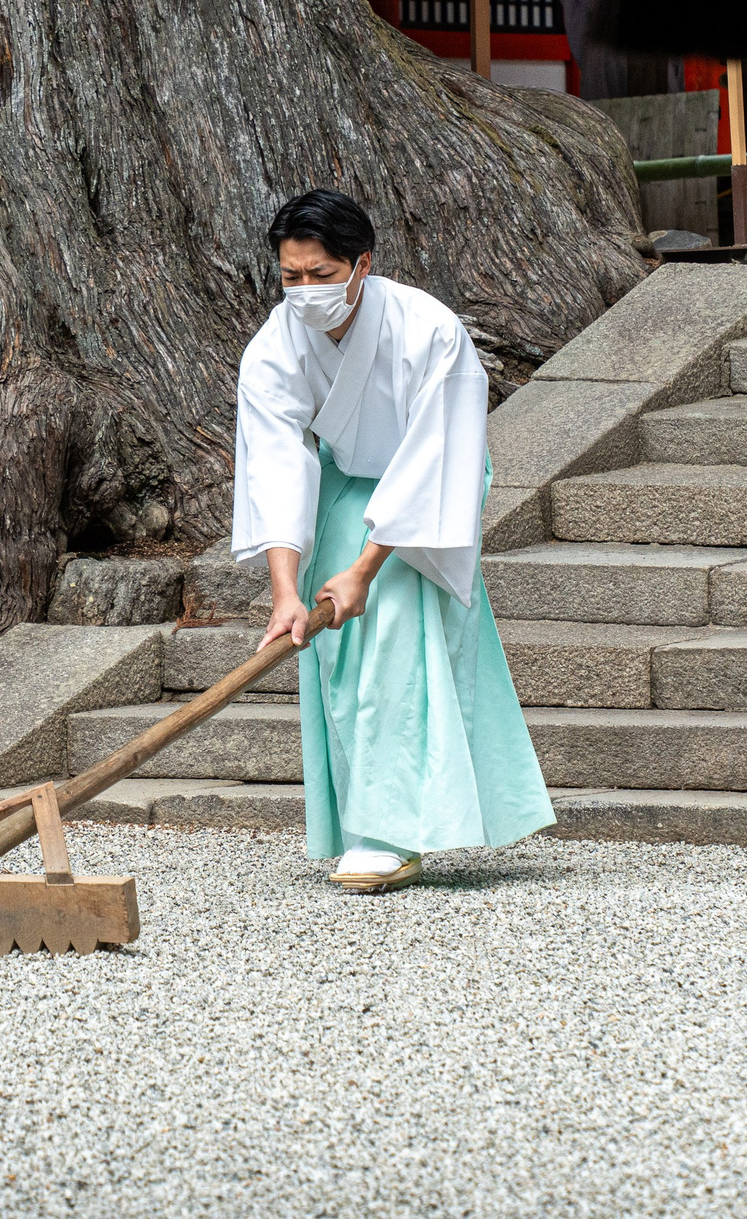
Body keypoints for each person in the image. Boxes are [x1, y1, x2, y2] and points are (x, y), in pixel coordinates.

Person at [231, 188, 555, 893]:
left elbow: (437, 450)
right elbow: (279, 464)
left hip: (437, 472)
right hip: (347, 481)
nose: (305, 291)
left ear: (362, 264)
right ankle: (363, 822)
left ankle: (391, 833)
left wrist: (366, 569)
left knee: (394, 625)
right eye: (291, 277)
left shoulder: (426, 329)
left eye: (321, 275)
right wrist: (287, 591)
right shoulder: (274, 346)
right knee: (337, 648)